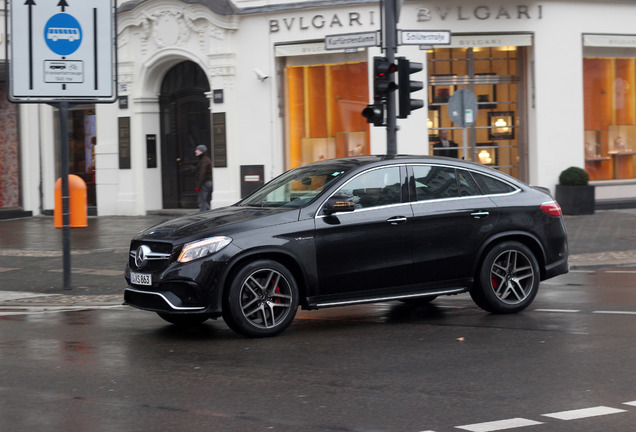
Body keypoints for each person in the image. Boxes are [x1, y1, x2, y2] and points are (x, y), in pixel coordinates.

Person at [195, 144, 212, 211]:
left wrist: (198, 186)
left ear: (202, 151)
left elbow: (202, 174)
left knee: (202, 201)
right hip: (207, 182)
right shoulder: (205, 159)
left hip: (204, 183)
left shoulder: (204, 160)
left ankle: (204, 216)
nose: (195, 151)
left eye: (197, 150)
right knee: (204, 201)